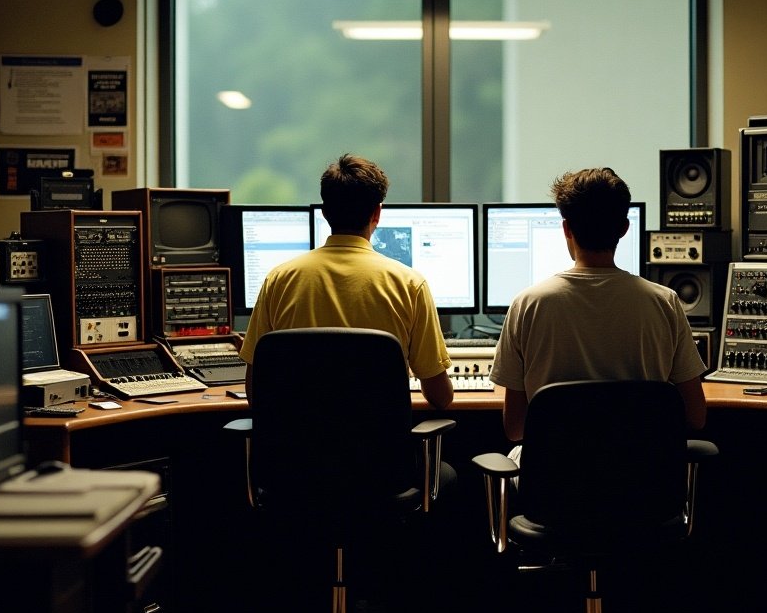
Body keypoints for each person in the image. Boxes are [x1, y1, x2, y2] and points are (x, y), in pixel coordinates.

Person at [489, 166, 707, 443]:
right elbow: (696, 417)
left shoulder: (528, 305)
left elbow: (515, 428)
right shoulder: (665, 303)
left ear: (566, 228)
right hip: (641, 481)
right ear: (625, 228)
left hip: (555, 483)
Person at [239, 154, 454, 410]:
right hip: (378, 449)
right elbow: (440, 398)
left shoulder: (279, 280)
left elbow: (255, 390)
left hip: (297, 448)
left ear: (325, 212)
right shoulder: (409, 284)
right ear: (377, 213)